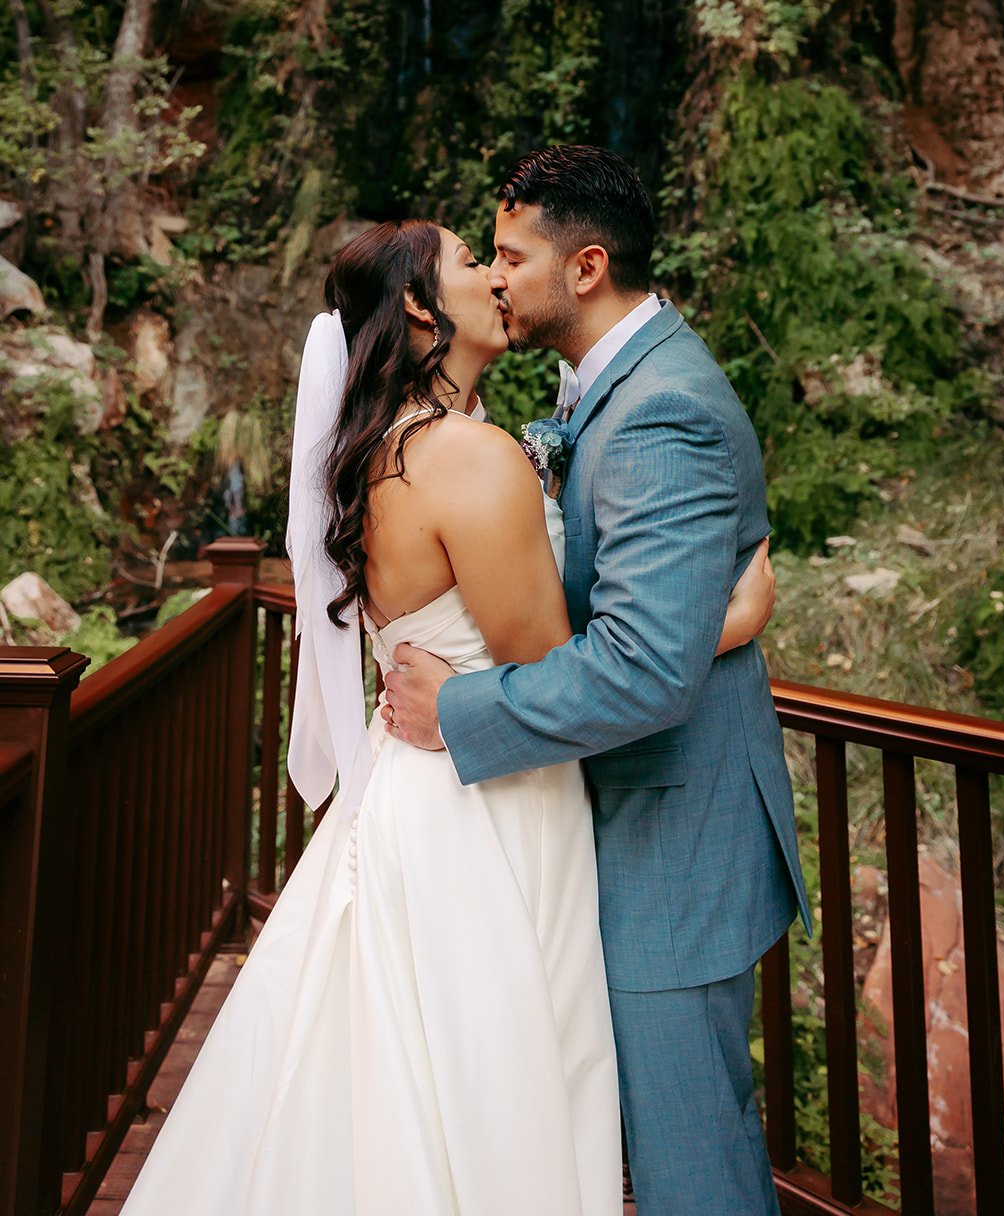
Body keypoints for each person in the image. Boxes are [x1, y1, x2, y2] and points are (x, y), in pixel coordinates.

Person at [121, 216, 775, 1216]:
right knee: (499, 1086)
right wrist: (723, 615)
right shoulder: (469, 456)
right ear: (423, 305)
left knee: (393, 1076)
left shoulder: (385, 449)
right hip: (491, 808)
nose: (496, 278)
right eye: (477, 261)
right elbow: (561, 660)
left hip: (413, 788)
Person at [385, 147, 813, 1216]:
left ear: (582, 267)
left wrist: (458, 710)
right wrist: (713, 623)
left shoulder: (659, 407)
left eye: (510, 254)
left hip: (671, 838)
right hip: (621, 819)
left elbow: (639, 671)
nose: (494, 276)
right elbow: (641, 626)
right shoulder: (605, 384)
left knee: (689, 1163)